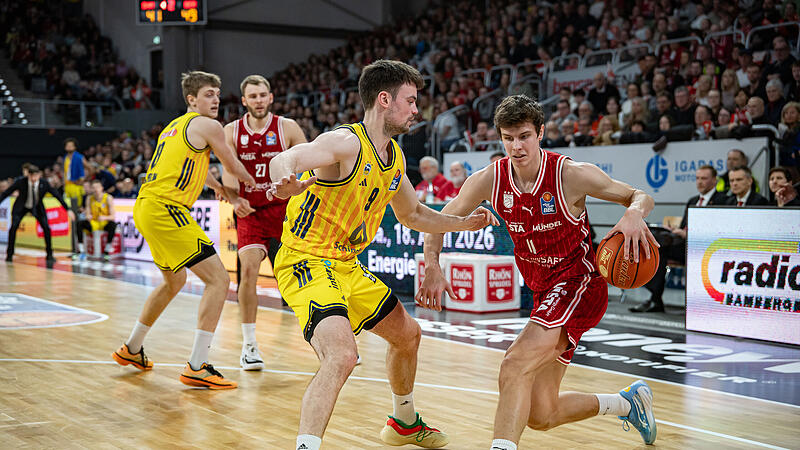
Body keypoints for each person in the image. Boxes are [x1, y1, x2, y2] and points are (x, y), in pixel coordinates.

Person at [266, 59, 498, 450]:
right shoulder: (347, 142)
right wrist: (284, 178)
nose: (415, 110)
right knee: (342, 356)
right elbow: (287, 157)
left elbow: (413, 214)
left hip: (347, 266)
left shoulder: (394, 158)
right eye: (410, 100)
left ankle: (404, 421)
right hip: (306, 260)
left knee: (408, 335)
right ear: (384, 99)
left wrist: (464, 225)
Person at [417, 95, 658, 449]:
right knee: (541, 414)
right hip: (544, 294)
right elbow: (438, 221)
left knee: (514, 364)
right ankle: (628, 403)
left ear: (541, 132)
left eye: (524, 136)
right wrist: (433, 265)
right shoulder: (489, 180)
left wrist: (635, 213)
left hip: (580, 284)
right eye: (509, 138)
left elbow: (639, 195)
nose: (517, 146)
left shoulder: (570, 174)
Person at [111, 71, 256, 390]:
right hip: (166, 207)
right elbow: (231, 163)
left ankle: (132, 349)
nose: (215, 99)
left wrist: (222, 189)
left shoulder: (174, 126)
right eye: (207, 94)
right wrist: (257, 184)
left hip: (147, 205)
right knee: (219, 279)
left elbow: (196, 169)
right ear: (191, 99)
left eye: (217, 94)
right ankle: (197, 365)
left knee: (174, 280)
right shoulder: (208, 125)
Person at [220, 74, 307, 370]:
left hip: (286, 213)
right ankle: (249, 345)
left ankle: (335, 339)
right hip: (251, 214)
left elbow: (307, 164)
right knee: (249, 272)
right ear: (244, 101)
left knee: (307, 276)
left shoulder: (288, 128)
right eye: (252, 96)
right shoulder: (231, 131)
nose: (258, 100)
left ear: (271, 97)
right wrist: (234, 199)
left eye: (262, 95)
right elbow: (228, 171)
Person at [631, 165, 728, 313]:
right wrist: (676, 231)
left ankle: (655, 299)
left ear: (714, 180)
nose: (700, 182)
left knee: (662, 247)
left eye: (704, 178)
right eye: (697, 178)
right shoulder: (693, 200)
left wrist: (689, 234)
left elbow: (719, 230)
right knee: (658, 247)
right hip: (685, 246)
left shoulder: (723, 200)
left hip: (707, 248)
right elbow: (684, 226)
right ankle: (655, 297)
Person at [0, 165, 75, 263]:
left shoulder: (44, 183)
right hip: (21, 207)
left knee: (46, 228)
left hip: (37, 207)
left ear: (39, 175)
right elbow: (6, 193)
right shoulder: (21, 182)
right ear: (29, 176)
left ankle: (49, 254)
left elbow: (56, 195)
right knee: (13, 227)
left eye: (37, 176)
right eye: (32, 176)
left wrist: (67, 209)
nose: (34, 178)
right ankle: (9, 254)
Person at [74, 179, 117, 260]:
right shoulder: (89, 198)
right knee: (79, 223)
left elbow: (113, 216)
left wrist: (105, 217)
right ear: (91, 189)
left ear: (102, 188)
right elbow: (87, 213)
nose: (96, 189)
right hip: (94, 223)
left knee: (113, 225)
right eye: (94, 188)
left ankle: (107, 251)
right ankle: (81, 250)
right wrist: (88, 215)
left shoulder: (108, 198)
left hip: (104, 223)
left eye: (97, 187)